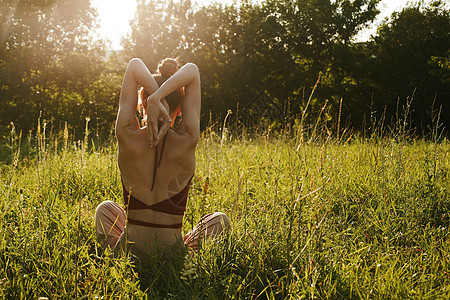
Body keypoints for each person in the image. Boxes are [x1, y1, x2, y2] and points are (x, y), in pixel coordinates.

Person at [94, 58, 230, 259]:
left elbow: (134, 66)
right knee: (220, 220)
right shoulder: (187, 139)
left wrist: (153, 98)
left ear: (142, 104)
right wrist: (159, 96)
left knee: (106, 208)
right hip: (172, 256)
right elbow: (192, 70)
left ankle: (110, 259)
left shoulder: (126, 134)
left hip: (129, 254)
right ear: (181, 109)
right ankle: (188, 257)